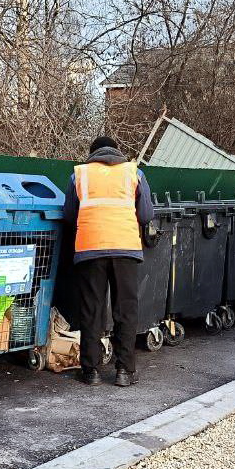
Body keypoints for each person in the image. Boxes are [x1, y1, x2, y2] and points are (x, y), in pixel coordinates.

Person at [62, 136, 154, 387]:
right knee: (125, 309)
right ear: (117, 151)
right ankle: (125, 371)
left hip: (91, 249)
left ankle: (90, 371)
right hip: (125, 248)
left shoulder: (79, 175)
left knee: (92, 309)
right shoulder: (134, 173)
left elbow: (69, 215)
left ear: (92, 154)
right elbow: (146, 215)